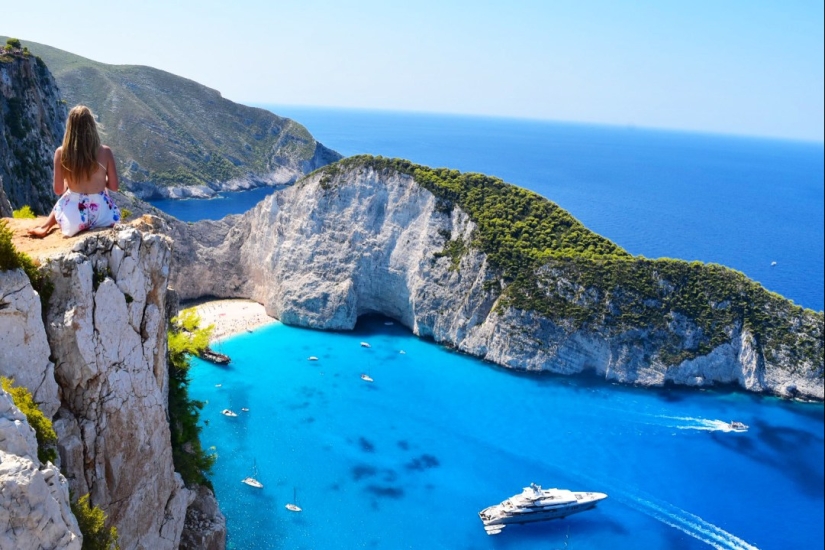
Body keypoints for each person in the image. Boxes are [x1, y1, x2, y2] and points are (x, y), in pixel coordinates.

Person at [28, 105, 121, 238]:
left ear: (70, 127)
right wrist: (101, 181)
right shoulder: (105, 152)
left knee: (67, 196)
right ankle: (45, 226)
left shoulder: (61, 153)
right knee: (102, 193)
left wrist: (70, 181)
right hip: (104, 215)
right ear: (92, 126)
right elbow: (114, 187)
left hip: (75, 219)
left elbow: (59, 190)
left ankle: (45, 227)